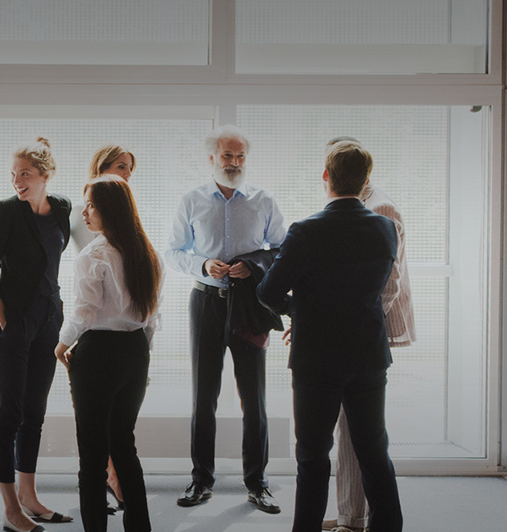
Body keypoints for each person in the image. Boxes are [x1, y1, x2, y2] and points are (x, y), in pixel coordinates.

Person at [257, 140, 404, 532]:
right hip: (369, 355)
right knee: (373, 450)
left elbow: (267, 293)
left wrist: (298, 312)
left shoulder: (306, 231)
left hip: (316, 357)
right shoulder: (386, 228)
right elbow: (379, 286)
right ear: (365, 180)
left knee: (313, 455)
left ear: (326, 176)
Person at [164, 125, 288, 513]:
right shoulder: (192, 199)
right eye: (227, 157)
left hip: (251, 306)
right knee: (204, 396)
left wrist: (253, 267)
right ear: (212, 159)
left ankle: (258, 482)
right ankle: (201, 480)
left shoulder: (263, 200)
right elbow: (172, 252)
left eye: (240, 157)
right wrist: (202, 263)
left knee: (255, 398)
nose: (234, 164)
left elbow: (282, 249)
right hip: (207, 304)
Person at [318, 137, 415, 532]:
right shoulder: (351, 203)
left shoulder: (381, 207)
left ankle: (356, 519)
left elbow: (387, 284)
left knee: (362, 436)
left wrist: (341, 323)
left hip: (366, 333)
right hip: (355, 332)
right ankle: (351, 515)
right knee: (353, 431)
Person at [55, 175, 161, 532]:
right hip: (134, 352)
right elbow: (151, 317)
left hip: (98, 354)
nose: (84, 212)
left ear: (109, 211)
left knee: (93, 457)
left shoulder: (95, 254)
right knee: (124, 447)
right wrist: (140, 358)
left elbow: (84, 311)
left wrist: (62, 343)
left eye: (91, 205)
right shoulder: (148, 252)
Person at [0, 138, 73, 531]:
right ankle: (10, 508)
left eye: (26, 174)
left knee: (34, 414)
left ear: (45, 176)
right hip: (13, 320)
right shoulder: (5, 211)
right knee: (8, 414)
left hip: (50, 317)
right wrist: (3, 318)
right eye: (14, 175)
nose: (18, 181)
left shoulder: (63, 208)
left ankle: (29, 497)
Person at [69, 144, 138, 512]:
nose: (125, 173)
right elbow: (86, 301)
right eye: (119, 166)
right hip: (95, 326)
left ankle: (113, 481)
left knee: (111, 434)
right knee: (102, 436)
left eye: (129, 167)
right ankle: (110, 481)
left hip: (114, 331)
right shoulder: (87, 212)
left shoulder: (125, 217)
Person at [72, 145, 138, 249]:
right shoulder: (82, 211)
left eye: (130, 168)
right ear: (102, 168)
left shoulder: (125, 209)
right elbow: (86, 258)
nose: (129, 174)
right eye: (121, 167)